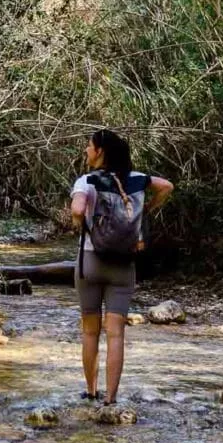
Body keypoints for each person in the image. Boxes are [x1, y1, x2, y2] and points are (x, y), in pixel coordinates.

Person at [70, 129, 174, 405]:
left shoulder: (86, 181)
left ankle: (92, 391)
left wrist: (79, 222)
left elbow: (78, 210)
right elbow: (167, 186)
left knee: (90, 331)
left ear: (100, 151)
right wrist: (146, 210)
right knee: (116, 332)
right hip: (123, 264)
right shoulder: (138, 179)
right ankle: (111, 399)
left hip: (90, 261)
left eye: (89, 146)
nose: (86, 150)